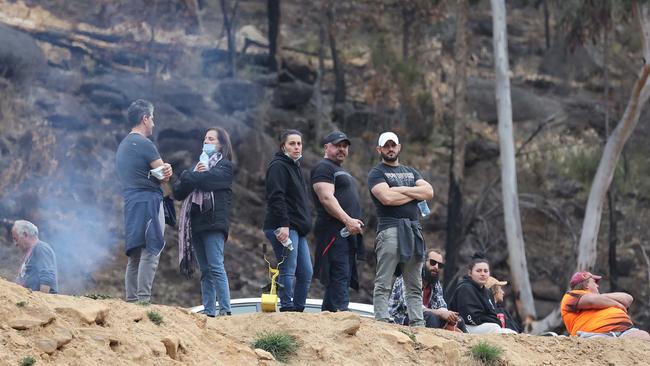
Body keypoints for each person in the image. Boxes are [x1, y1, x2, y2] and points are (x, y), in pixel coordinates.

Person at [368, 131, 434, 326]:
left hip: (414, 231)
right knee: (384, 281)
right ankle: (381, 320)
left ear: (399, 147)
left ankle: (418, 324)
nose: (390, 149)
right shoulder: (377, 173)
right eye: (386, 146)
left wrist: (400, 190)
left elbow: (429, 191)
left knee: (414, 284)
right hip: (390, 230)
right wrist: (415, 193)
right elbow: (386, 198)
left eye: (393, 145)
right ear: (379, 149)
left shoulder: (412, 171)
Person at [115, 99, 172, 303]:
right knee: (151, 249)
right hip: (148, 201)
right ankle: (143, 300)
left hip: (130, 202)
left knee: (135, 254)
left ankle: (131, 300)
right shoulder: (145, 144)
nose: (154, 124)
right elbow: (163, 176)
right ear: (145, 118)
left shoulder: (122, 146)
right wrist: (168, 169)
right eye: (152, 118)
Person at [173, 127, 234, 317]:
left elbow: (208, 180)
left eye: (211, 139)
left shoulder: (225, 166)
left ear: (221, 144)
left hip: (214, 222)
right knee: (205, 271)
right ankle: (209, 311)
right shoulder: (198, 167)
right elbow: (178, 192)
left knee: (216, 266)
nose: (206, 142)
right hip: (196, 224)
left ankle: (225, 310)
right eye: (205, 139)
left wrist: (188, 176)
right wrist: (191, 176)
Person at [311, 131, 366, 312]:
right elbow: (326, 198)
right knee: (339, 274)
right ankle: (341, 315)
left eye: (345, 146)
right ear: (326, 147)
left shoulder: (340, 170)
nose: (342, 149)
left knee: (343, 276)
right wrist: (348, 220)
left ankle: (330, 317)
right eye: (337, 145)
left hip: (346, 233)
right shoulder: (323, 168)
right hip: (334, 231)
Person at [262, 129, 313, 312]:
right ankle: (287, 307)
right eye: (292, 143)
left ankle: (297, 310)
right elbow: (276, 197)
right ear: (283, 146)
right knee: (288, 269)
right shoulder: (278, 166)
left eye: (299, 143)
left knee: (306, 272)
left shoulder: (294, 166)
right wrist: (283, 224)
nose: (297, 147)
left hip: (297, 228)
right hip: (283, 226)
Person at [389, 248, 466, 331]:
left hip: (425, 317)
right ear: (423, 262)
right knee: (430, 317)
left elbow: (441, 306)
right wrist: (439, 313)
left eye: (440, 265)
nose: (436, 267)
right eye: (433, 263)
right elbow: (411, 307)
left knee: (458, 320)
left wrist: (448, 314)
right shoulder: (408, 277)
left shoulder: (435, 283)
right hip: (400, 319)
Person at [560, 271, 650, 340]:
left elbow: (628, 298)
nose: (597, 286)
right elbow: (591, 301)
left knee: (644, 337)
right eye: (594, 282)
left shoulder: (603, 298)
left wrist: (604, 298)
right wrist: (617, 303)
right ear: (586, 284)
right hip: (594, 334)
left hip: (625, 331)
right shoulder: (570, 295)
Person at [448, 253, 517, 334]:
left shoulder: (487, 292)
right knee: (494, 327)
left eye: (486, 271)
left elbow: (494, 316)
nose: (483, 274)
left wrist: (490, 319)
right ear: (470, 273)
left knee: (512, 332)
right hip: (463, 327)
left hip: (483, 326)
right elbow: (471, 318)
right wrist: (490, 319)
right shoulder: (465, 288)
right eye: (478, 271)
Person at [11, 220, 58, 294]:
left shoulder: (41, 248)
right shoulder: (30, 252)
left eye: (16, 239)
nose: (16, 244)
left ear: (25, 234)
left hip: (38, 302)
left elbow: (47, 277)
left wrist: (40, 300)